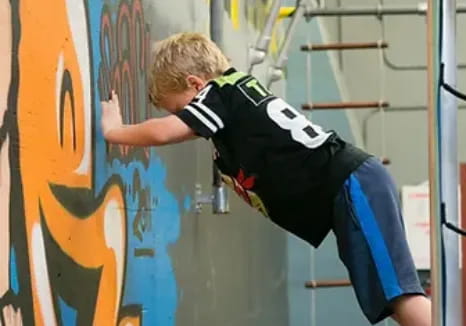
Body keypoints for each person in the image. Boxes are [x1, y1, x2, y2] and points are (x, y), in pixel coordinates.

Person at [101, 32, 431, 326]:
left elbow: (165, 134)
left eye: (179, 109)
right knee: (390, 296)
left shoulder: (219, 94)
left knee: (399, 294)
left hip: (352, 183)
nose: (181, 119)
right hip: (349, 189)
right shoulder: (234, 99)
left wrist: (114, 131)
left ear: (195, 84)